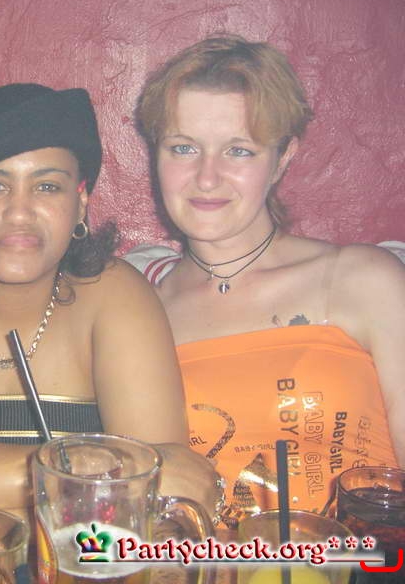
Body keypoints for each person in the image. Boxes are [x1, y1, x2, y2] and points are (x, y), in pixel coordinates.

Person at [0, 83, 220, 528]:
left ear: (80, 202)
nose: (19, 212)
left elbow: (165, 495)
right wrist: (95, 465)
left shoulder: (116, 295)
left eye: (47, 186)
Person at [127, 34, 404, 527]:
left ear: (283, 157)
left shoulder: (362, 280)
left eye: (238, 151)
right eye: (183, 148)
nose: (206, 177)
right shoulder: (139, 312)